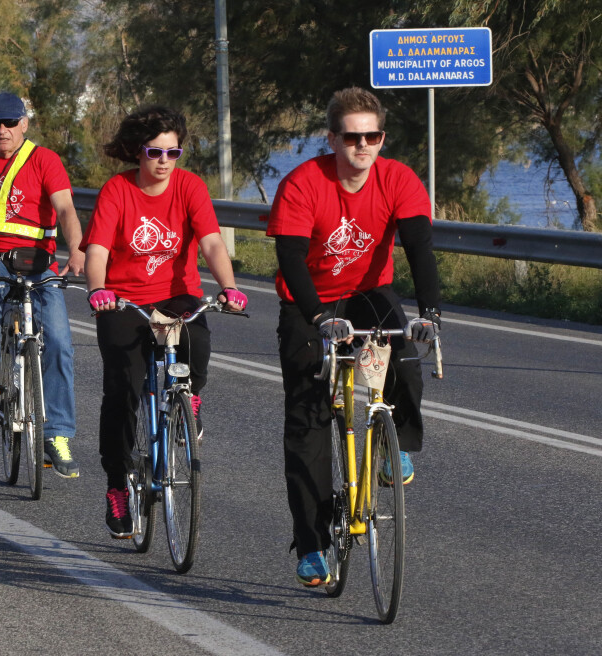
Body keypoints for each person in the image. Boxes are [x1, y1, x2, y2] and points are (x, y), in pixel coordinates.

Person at [267, 87, 441, 587]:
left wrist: (429, 312)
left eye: (372, 136)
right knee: (308, 420)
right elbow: (292, 259)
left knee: (405, 354)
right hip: (311, 302)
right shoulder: (304, 183)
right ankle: (312, 544)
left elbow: (419, 248)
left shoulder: (398, 179)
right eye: (351, 137)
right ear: (332, 139)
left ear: (382, 138)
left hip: (368, 290)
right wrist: (318, 315)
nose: (362, 146)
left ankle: (392, 445)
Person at [83, 105, 246, 537]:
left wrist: (228, 286)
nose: (163, 162)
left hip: (177, 297)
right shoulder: (117, 190)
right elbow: (97, 250)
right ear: (138, 152)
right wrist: (98, 289)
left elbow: (210, 242)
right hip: (123, 300)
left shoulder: (190, 187)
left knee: (199, 342)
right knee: (121, 391)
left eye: (173, 153)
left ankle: (188, 397)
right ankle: (117, 486)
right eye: (155, 152)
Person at [0, 92, 85, 479]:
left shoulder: (44, 160)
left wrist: (76, 249)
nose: (2, 130)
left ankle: (57, 436)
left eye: (9, 123)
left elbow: (66, 209)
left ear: (24, 123)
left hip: (38, 260)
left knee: (58, 340)